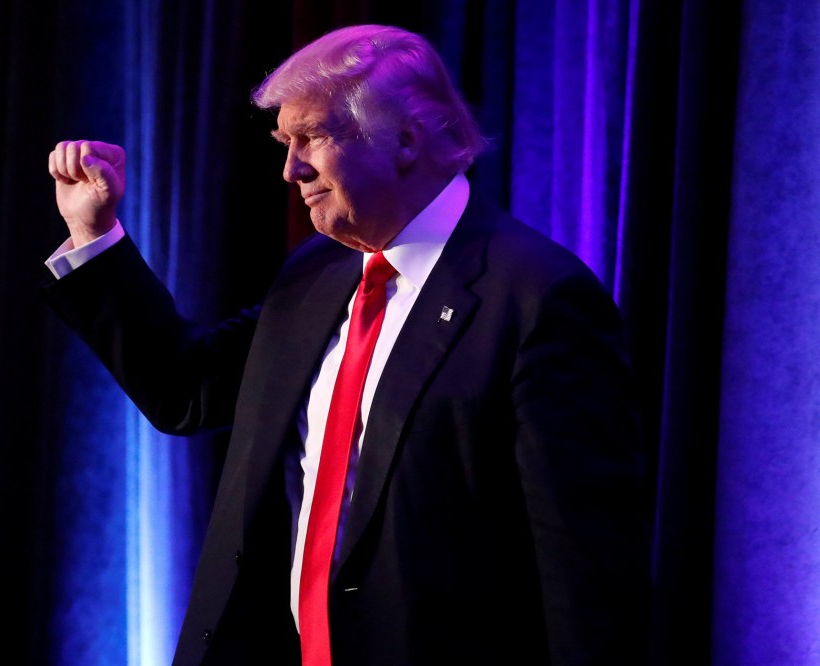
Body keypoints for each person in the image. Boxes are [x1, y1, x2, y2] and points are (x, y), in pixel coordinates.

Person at [42, 24, 651, 666]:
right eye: (285, 142)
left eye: (312, 137)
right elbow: (187, 390)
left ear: (407, 138)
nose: (290, 168)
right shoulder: (317, 272)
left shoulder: (535, 298)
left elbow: (586, 567)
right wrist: (95, 236)